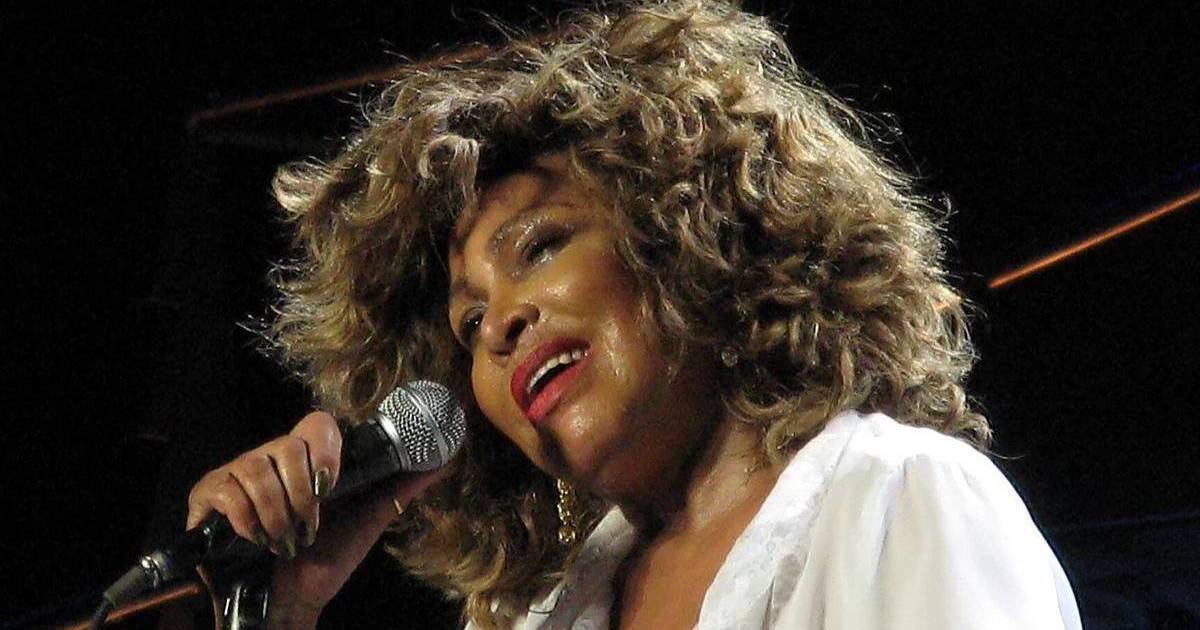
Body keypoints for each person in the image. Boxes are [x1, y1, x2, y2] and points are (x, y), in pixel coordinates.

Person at [185, 1, 1082, 628]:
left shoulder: (898, 500)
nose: (498, 327)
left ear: (688, 233)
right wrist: (281, 611)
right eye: (467, 325)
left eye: (540, 247)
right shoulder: (541, 617)